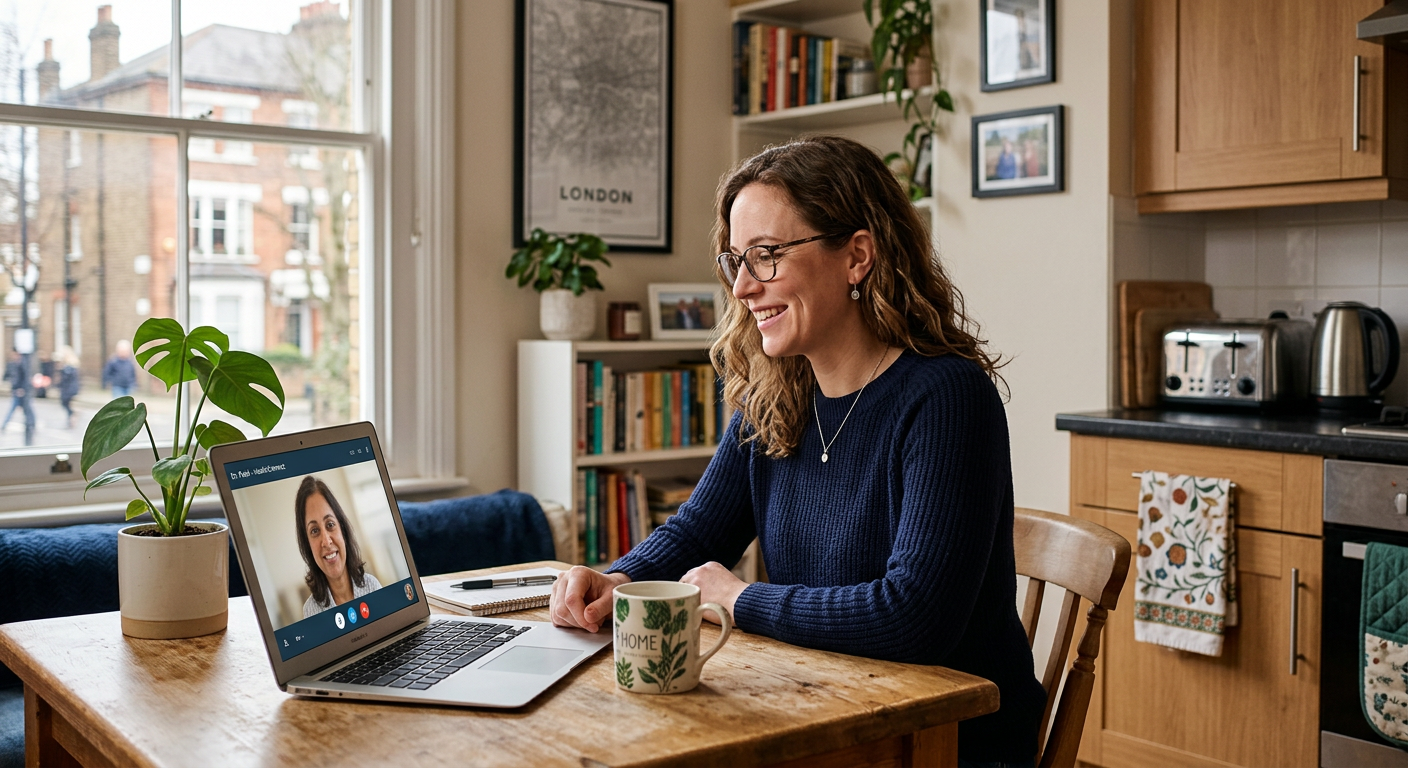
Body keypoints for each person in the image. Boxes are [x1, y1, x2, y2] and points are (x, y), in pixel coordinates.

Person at [549, 135, 1043, 766]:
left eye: (768, 256)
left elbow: (915, 617)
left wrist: (738, 599)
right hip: (825, 708)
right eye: (736, 261)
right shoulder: (776, 392)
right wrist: (618, 579)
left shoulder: (947, 397)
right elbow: (700, 534)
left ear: (857, 256)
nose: (744, 288)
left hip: (945, 740)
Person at [297, 475, 382, 617]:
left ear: (342, 529)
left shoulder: (372, 586)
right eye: (315, 531)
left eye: (330, 525)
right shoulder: (311, 611)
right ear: (307, 544)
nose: (326, 541)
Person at [1, 350, 36, 444]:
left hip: (21, 391)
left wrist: (22, 389)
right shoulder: (13, 364)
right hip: (16, 390)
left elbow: (25, 378)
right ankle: (5, 424)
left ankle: (31, 423)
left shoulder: (22, 364)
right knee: (14, 409)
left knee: (26, 409)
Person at [57, 346, 80, 430]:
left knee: (67, 405)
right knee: (66, 405)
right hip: (68, 389)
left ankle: (72, 419)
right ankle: (71, 419)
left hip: (69, 389)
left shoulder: (70, 367)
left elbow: (67, 379)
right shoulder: (67, 366)